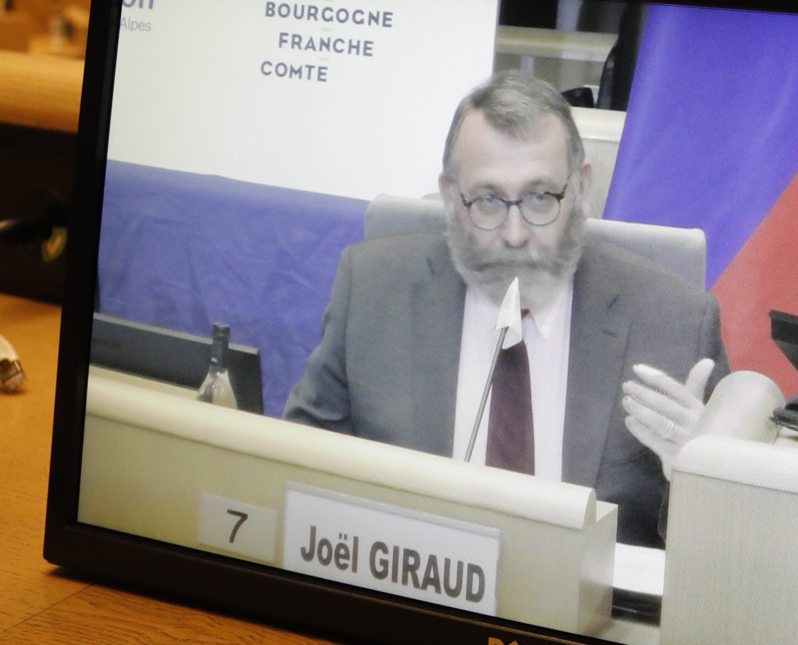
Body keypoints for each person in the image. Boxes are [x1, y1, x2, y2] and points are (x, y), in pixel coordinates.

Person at [284, 72, 727, 547]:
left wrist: (702, 484)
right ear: (453, 198)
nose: (516, 235)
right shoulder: (373, 291)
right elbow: (295, 473)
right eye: (489, 200)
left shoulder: (675, 325)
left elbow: (730, 549)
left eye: (540, 197)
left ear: (579, 190)